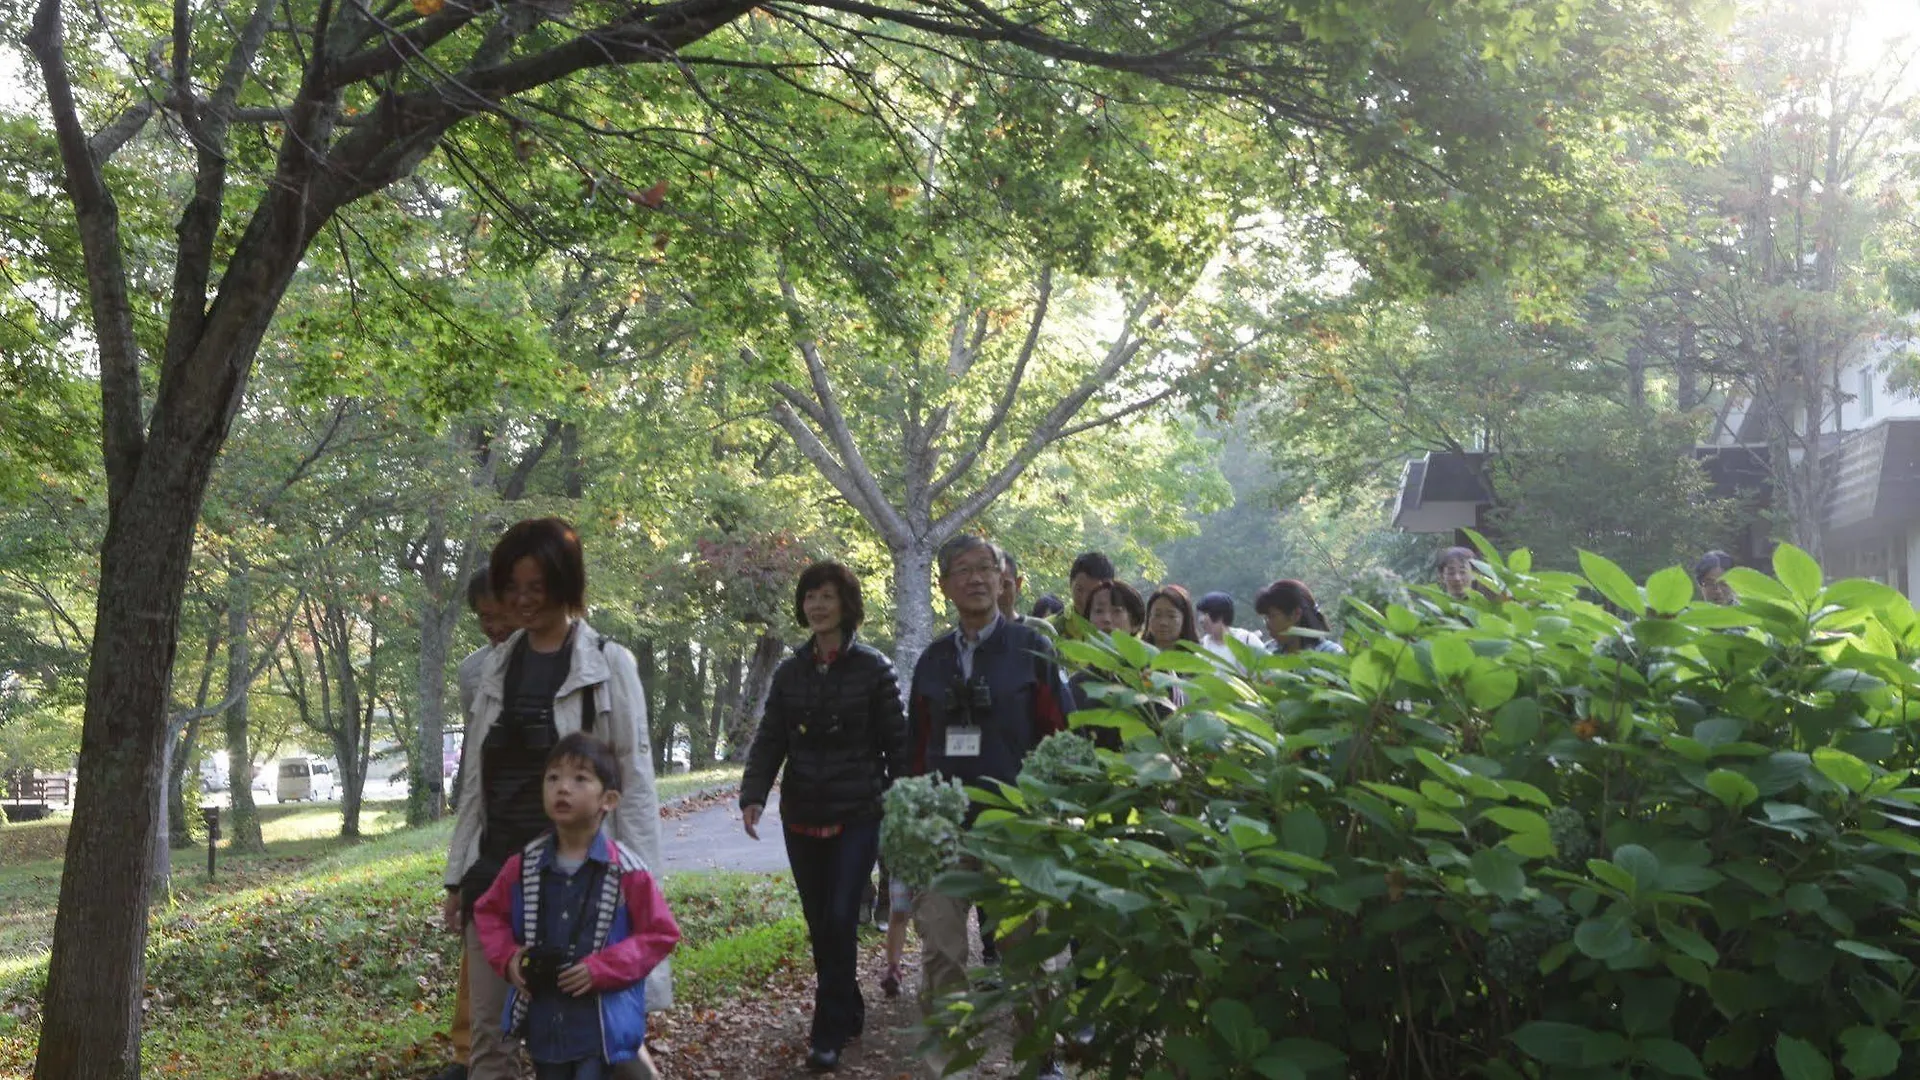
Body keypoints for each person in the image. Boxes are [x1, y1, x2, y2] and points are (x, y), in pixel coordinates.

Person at [446, 517, 668, 1080]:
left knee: (600, 1038)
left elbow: (634, 783)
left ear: (564, 583)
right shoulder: (494, 666)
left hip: (580, 876)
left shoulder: (606, 665)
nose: (520, 601)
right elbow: (476, 781)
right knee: (490, 1043)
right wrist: (458, 875)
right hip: (499, 873)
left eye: (534, 587)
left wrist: (640, 884)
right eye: (510, 587)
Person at [907, 535, 1069, 1080]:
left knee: (1026, 952)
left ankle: (1038, 1061)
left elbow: (1060, 733)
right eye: (962, 570)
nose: (976, 578)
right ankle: (948, 1066)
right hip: (945, 829)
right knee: (942, 955)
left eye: (986, 569)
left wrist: (1050, 815)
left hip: (1015, 827)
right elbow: (916, 748)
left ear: (1005, 580)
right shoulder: (932, 660)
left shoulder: (1032, 648)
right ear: (945, 585)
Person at [739, 561, 907, 1073]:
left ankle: (826, 1029)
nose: (817, 604)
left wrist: (904, 804)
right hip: (802, 812)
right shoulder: (790, 671)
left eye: (827, 595)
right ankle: (846, 1001)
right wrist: (754, 793)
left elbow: (897, 745)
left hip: (859, 810)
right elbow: (771, 737)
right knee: (820, 921)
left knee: (840, 914)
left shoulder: (874, 668)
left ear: (846, 603)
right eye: (810, 595)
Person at [472, 733, 681, 1080]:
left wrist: (604, 968)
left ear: (609, 800)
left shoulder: (627, 871)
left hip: (601, 1026)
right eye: (552, 778)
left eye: (579, 779)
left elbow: (660, 933)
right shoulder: (523, 866)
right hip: (545, 1026)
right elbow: (488, 912)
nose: (562, 788)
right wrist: (509, 959)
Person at [439, 570, 522, 1080]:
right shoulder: (475, 672)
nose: (490, 626)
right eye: (483, 618)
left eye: (498, 614)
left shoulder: (577, 659)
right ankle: (469, 1052)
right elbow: (475, 754)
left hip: (546, 826)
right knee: (480, 928)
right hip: (490, 830)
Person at [1255, 579, 1344, 655]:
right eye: (1265, 618)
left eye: (1272, 616)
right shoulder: (1267, 653)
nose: (1267, 625)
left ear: (1296, 614)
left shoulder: (1330, 654)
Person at [1050, 551, 1116, 637]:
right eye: (1079, 590)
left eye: (1093, 592)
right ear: (1070, 584)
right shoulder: (1049, 628)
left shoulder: (1121, 630)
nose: (1084, 599)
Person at [1143, 585, 1202, 651]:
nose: (1163, 622)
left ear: (1185, 619)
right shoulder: (1136, 655)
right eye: (1157, 615)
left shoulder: (1197, 658)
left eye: (1171, 616)